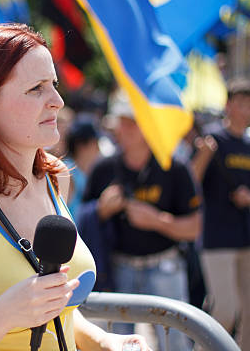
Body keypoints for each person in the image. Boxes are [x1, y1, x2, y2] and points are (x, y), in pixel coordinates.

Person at [0, 24, 150, 351]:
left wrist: (106, 341)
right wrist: (3, 316)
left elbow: (58, 313)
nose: (58, 101)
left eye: (53, 84)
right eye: (36, 88)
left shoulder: (57, 178)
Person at [79, 90, 201, 351]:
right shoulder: (104, 168)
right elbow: (82, 221)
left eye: (130, 122)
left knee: (175, 343)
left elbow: (194, 228)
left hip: (165, 267)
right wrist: (101, 210)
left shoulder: (175, 168)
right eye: (120, 122)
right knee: (116, 345)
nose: (121, 129)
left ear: (147, 126)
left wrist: (158, 221)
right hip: (118, 269)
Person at [190, 79, 250, 351]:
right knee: (224, 311)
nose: (245, 110)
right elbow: (192, 182)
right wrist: (203, 156)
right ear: (228, 105)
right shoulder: (212, 140)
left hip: (248, 239)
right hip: (216, 238)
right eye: (240, 103)